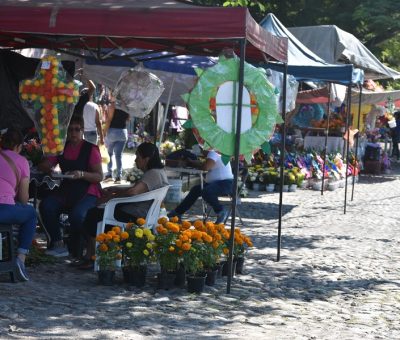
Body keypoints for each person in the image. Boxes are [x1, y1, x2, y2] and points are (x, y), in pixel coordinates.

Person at [78, 142, 168, 269]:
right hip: (141, 212)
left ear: (146, 159)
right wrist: (116, 190)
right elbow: (138, 189)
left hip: (135, 215)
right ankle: (96, 253)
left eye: (138, 156)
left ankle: (92, 256)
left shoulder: (152, 174)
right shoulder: (160, 172)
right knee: (97, 213)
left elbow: (133, 192)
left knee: (92, 215)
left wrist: (110, 197)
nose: (136, 160)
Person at [38, 115, 103, 257]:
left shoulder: (91, 149)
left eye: (77, 129)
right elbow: (45, 164)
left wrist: (82, 174)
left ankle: (85, 247)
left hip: (88, 192)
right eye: (70, 129)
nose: (73, 133)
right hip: (67, 190)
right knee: (47, 205)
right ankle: (58, 242)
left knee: (77, 215)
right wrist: (49, 170)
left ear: (83, 131)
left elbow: (99, 176)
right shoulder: (61, 147)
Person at [0, 127, 37, 281]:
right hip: (4, 210)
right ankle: (20, 258)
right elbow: (23, 198)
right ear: (19, 146)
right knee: (31, 213)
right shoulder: (21, 161)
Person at [168, 149, 233, 223]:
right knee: (195, 190)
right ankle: (177, 212)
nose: (201, 152)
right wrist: (193, 163)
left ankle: (220, 210)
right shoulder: (214, 153)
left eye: (201, 150)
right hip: (218, 183)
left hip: (225, 183)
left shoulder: (213, 152)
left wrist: (194, 163)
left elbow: (205, 167)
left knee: (207, 191)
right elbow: (206, 165)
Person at [103, 100, 130, 183]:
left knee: (109, 154)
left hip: (113, 131)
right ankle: (119, 177)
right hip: (123, 132)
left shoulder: (112, 105)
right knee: (118, 156)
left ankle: (109, 175)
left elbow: (109, 120)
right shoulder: (127, 106)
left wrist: (104, 132)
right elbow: (128, 119)